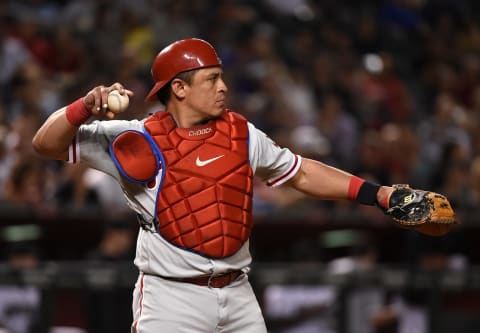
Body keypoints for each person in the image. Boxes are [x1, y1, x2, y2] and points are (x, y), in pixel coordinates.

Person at [31, 38, 401, 332]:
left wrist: (378, 194)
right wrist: (83, 107)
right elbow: (45, 143)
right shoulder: (134, 138)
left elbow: (301, 173)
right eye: (212, 79)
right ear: (179, 88)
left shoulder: (241, 133)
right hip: (170, 297)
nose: (223, 87)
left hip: (238, 292)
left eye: (221, 76)